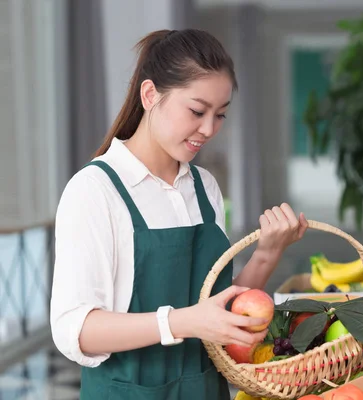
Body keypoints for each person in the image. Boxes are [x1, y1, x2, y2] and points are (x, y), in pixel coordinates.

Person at [50, 29, 308, 400]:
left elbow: (222, 309)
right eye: (196, 111)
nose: (208, 129)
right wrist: (182, 321)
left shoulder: (204, 187)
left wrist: (268, 252)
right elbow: (76, 330)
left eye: (219, 115)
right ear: (150, 94)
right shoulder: (95, 190)